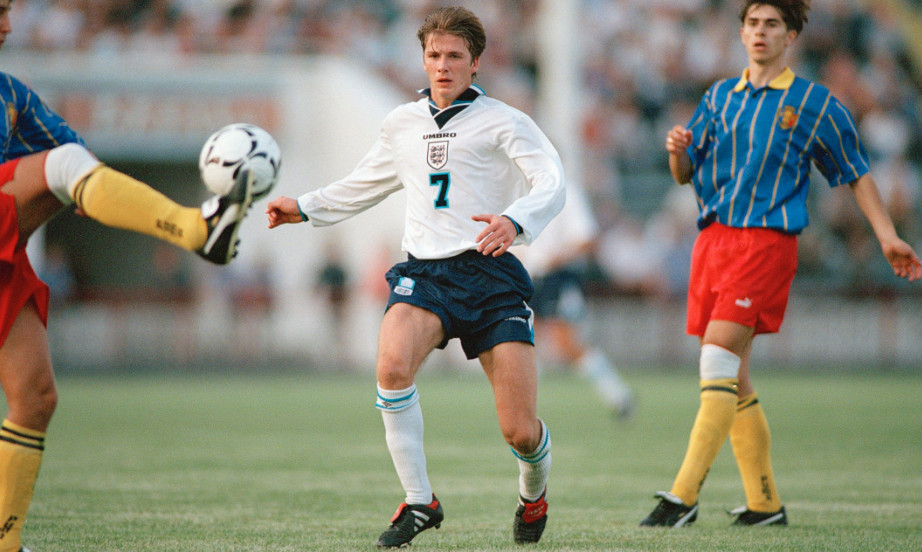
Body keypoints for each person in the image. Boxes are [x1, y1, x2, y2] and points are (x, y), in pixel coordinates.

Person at [266, 6, 564, 547]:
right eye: (433, 55)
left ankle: (533, 494)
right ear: (422, 59)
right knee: (392, 364)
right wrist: (304, 207)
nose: (443, 65)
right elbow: (366, 182)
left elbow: (552, 179)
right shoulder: (402, 122)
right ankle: (420, 500)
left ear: (476, 62)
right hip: (424, 273)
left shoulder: (505, 121)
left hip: (491, 275)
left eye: (454, 56)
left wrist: (515, 220)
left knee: (520, 431)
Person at [639, 0, 922, 528]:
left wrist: (887, 236)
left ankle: (682, 498)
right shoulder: (720, 96)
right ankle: (765, 504)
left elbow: (856, 172)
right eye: (751, 23)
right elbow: (684, 174)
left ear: (791, 35)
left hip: (765, 245)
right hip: (714, 242)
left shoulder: (813, 103)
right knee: (736, 378)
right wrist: (676, 149)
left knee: (717, 364)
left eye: (771, 24)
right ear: (741, 32)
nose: (759, 32)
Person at [0, 2, 257, 550]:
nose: (6, 26)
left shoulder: (11, 93)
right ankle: (195, 228)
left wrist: (90, 188)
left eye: (7, 12)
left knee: (36, 398)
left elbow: (74, 153)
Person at [518, 181, 634, 419]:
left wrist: (554, 258)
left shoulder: (565, 190)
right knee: (528, 341)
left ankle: (617, 394)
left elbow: (587, 238)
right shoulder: (521, 190)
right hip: (531, 275)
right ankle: (525, 410)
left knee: (565, 342)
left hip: (558, 275)